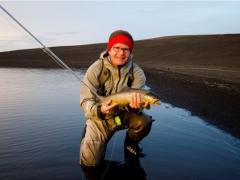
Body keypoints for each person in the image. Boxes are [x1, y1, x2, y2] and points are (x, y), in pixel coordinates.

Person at [79, 30, 154, 167]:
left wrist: (134, 107)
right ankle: (88, 133)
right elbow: (85, 101)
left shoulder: (137, 73)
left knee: (144, 121)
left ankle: (130, 144)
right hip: (100, 119)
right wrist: (100, 110)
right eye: (117, 48)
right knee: (90, 164)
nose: (121, 53)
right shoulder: (95, 69)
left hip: (124, 115)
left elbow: (139, 105)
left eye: (126, 49)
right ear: (109, 49)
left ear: (130, 52)